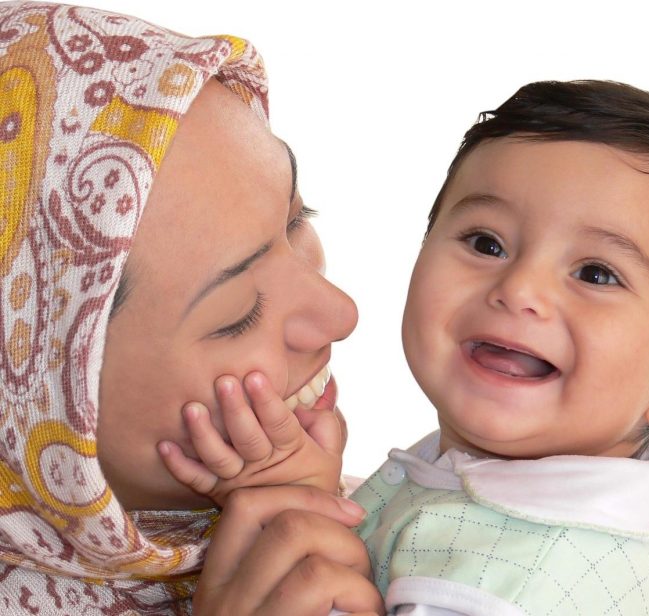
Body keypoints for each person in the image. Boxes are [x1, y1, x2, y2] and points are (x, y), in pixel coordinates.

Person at [174, 80, 649, 615]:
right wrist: (305, 499)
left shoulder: (511, 588)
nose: (519, 289)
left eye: (596, 274)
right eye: (486, 243)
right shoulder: (517, 506)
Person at [0, 2, 383, 614]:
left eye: (297, 217)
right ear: (35, 405)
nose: (342, 314)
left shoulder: (412, 514)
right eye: (238, 314)